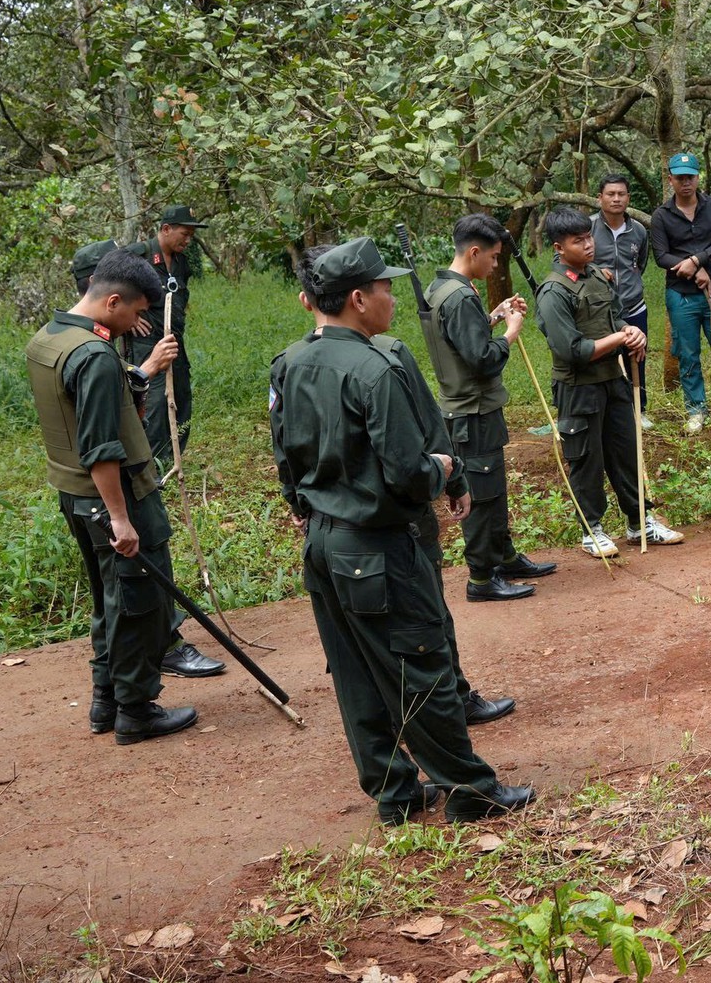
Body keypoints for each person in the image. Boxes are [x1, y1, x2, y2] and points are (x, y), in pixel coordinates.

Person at [272, 237, 533, 824]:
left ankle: (395, 792)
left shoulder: (289, 363)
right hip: (380, 546)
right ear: (359, 299)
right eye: (386, 288)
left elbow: (285, 453)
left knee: (356, 672)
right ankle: (469, 789)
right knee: (422, 666)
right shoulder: (373, 369)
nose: (393, 298)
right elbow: (407, 473)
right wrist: (441, 470)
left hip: (323, 543)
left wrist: (302, 500)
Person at [32, 245, 202, 743]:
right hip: (115, 498)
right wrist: (122, 519)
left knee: (109, 599)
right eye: (135, 312)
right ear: (110, 301)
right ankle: (136, 709)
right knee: (137, 602)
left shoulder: (51, 337)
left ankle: (105, 700)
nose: (137, 323)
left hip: (73, 496)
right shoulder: (94, 357)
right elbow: (102, 448)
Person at [68, 241, 226, 684]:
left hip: (93, 489)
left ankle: (109, 693)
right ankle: (151, 671)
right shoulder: (93, 348)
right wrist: (121, 515)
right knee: (133, 580)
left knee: (115, 591)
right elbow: (102, 439)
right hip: (117, 487)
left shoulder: (72, 337)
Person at [420, 213, 559, 601]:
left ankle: (504, 555)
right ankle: (481, 577)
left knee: (493, 489)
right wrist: (510, 333)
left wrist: (492, 316)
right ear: (475, 251)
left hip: (469, 409)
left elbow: (459, 339)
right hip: (472, 412)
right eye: (494, 258)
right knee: (481, 496)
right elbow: (480, 358)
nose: (496, 265)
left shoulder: (441, 288)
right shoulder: (461, 295)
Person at [537, 206, 686, 556]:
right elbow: (572, 349)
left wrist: (630, 331)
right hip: (578, 388)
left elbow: (616, 317)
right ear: (559, 248)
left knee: (626, 451)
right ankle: (593, 530)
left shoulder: (597, 276)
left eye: (589, 237)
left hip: (613, 380)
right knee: (587, 460)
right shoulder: (553, 291)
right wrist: (619, 340)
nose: (589, 245)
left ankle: (639, 523)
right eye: (579, 241)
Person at [650, 152, 711, 431]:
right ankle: (696, 410)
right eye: (679, 178)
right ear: (670, 180)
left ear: (697, 178)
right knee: (688, 353)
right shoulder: (661, 215)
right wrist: (695, 270)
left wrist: (697, 260)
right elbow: (661, 256)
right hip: (680, 295)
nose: (685, 183)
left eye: (690, 177)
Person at [128, 204, 201, 469]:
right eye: (184, 233)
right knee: (156, 404)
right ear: (166, 229)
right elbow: (103, 283)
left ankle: (173, 461)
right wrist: (131, 319)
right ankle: (151, 467)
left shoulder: (182, 262)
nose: (188, 240)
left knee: (181, 399)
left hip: (175, 341)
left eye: (192, 235)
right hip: (148, 344)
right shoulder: (139, 255)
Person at [591, 174, 653, 426]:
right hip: (601, 308)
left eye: (621, 194)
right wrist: (596, 271)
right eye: (610, 194)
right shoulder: (588, 228)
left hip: (634, 306)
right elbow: (572, 263)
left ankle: (639, 409)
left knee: (637, 356)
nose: (616, 199)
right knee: (604, 359)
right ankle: (611, 411)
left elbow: (641, 264)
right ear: (600, 198)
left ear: (628, 197)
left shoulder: (638, 230)